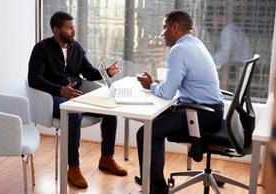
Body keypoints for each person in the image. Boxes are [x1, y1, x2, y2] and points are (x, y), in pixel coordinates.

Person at [28, 11, 127, 189]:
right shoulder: (42, 49)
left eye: (74, 27)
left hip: (76, 93)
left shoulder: (76, 47)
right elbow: (34, 78)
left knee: (109, 109)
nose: (73, 31)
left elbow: (88, 72)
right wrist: (59, 90)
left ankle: (107, 158)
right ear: (56, 29)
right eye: (69, 28)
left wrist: (106, 71)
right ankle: (73, 167)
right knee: (74, 113)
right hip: (52, 97)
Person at [135, 10, 224, 194]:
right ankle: (153, 179)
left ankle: (155, 187)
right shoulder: (195, 43)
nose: (162, 33)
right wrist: (159, 84)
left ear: (175, 28)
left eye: (164, 27)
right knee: (153, 126)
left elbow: (167, 94)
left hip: (201, 114)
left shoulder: (179, 49)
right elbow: (178, 82)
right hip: (211, 110)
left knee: (146, 133)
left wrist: (151, 85)